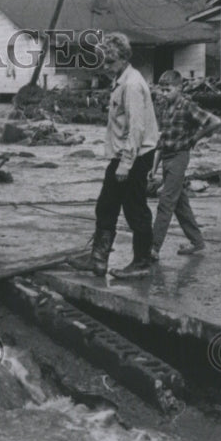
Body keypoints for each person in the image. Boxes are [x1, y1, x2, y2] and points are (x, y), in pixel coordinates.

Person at [68, 32, 159, 278]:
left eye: (110, 62)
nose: (106, 67)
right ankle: (98, 260)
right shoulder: (122, 79)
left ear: (123, 59)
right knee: (106, 206)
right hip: (123, 154)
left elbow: (137, 128)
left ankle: (141, 262)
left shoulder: (131, 85)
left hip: (135, 156)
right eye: (103, 61)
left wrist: (126, 164)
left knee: (135, 209)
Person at [150, 69, 221, 259]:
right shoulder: (165, 108)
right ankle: (197, 242)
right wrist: (154, 167)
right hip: (166, 158)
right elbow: (162, 141)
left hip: (179, 158)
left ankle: (153, 248)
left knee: (166, 202)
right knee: (180, 204)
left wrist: (195, 138)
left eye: (168, 90)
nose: (164, 94)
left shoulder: (187, 106)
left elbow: (215, 121)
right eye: (162, 90)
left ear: (179, 88)